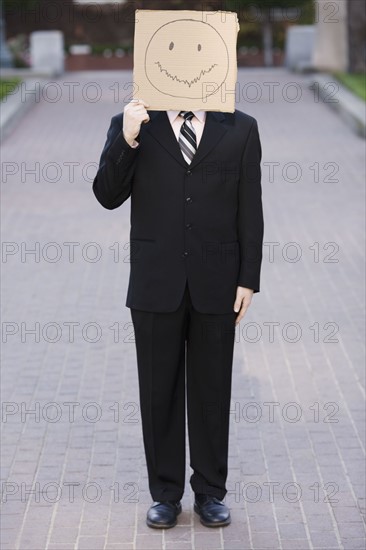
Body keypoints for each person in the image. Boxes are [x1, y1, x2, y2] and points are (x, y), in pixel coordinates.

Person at [93, 99, 264, 528]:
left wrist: (248, 278)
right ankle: (165, 494)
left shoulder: (241, 128)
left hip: (218, 282)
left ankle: (209, 491)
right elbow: (106, 195)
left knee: (212, 391)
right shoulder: (132, 123)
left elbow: (251, 208)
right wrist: (128, 139)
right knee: (159, 391)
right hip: (156, 282)